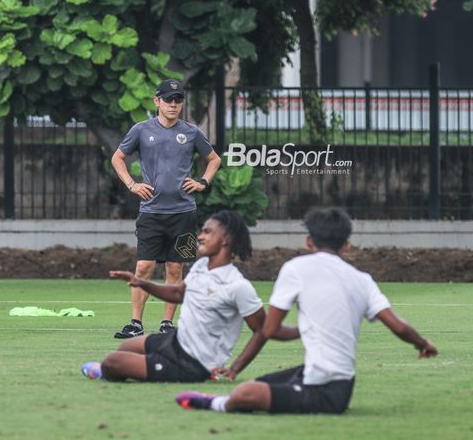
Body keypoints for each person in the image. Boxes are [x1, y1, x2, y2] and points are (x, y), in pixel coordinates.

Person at [175, 207, 438, 414]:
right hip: (338, 384)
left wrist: (302, 329)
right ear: (346, 245)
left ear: (309, 241)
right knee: (256, 385)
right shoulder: (362, 278)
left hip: (324, 391)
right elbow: (399, 327)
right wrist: (423, 343)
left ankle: (215, 404)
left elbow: (269, 330)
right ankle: (228, 398)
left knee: (247, 394)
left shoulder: (296, 268)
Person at [81, 211, 268, 383]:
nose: (200, 237)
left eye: (208, 232)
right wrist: (141, 283)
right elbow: (178, 293)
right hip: (176, 341)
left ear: (225, 240)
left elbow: (262, 329)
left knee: (113, 362)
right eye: (202, 231)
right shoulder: (201, 266)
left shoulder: (237, 285)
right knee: (125, 348)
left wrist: (236, 368)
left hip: (192, 363)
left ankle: (131, 371)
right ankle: (151, 367)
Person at [110, 78, 222, 338]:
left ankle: (167, 325)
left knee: (175, 269)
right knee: (143, 268)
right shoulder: (140, 130)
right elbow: (118, 157)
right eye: (168, 99)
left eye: (178, 100)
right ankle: (136, 324)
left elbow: (214, 159)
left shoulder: (192, 132)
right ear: (156, 101)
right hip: (151, 213)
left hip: (183, 213)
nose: (173, 104)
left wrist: (203, 181)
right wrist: (131, 184)